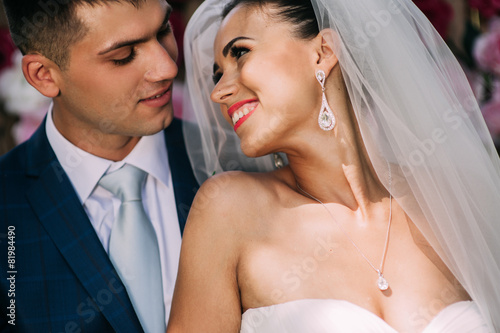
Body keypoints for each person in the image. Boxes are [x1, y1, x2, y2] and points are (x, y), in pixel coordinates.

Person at [167, 0, 500, 332]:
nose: (219, 92)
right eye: (218, 74)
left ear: (323, 51)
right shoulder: (228, 211)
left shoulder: (450, 201)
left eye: (239, 53)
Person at [0, 0, 198, 332]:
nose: (167, 68)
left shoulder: (238, 162)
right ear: (44, 75)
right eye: (123, 55)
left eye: (164, 30)